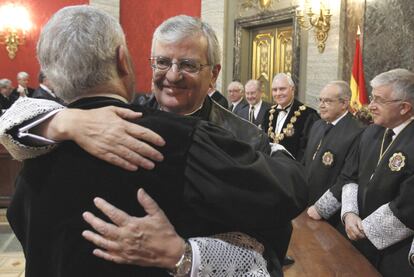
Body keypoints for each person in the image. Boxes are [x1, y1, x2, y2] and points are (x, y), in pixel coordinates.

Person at [0, 8, 307, 277]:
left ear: (214, 75)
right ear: (127, 61)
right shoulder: (91, 122)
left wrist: (185, 254)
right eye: (162, 62)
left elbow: (273, 235)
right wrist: (63, 121)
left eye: (187, 64)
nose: (172, 76)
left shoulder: (245, 136)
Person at [338, 69, 414, 277]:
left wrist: (364, 230)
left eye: (379, 100)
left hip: (395, 252)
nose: (370, 105)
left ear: (404, 107)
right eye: (372, 97)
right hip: (357, 237)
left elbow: (409, 205)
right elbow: (350, 175)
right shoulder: (370, 132)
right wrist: (350, 214)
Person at [304, 81, 365, 227]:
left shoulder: (357, 132)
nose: (321, 105)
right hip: (305, 203)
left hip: (331, 215)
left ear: (344, 103)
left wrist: (321, 209)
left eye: (328, 101)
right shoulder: (318, 125)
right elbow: (306, 162)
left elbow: (349, 177)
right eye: (320, 100)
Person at [262, 73, 319, 160]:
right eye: (274, 90)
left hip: (294, 169)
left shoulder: (308, 114)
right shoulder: (268, 113)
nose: (278, 93)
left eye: (282, 89)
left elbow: (308, 150)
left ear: (292, 90)